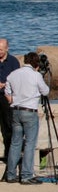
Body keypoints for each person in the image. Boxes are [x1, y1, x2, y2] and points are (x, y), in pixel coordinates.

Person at [5, 52, 49, 184]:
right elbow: (45, 91)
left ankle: (11, 175)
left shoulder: (13, 74)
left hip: (15, 111)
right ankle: (26, 175)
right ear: (36, 63)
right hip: (29, 111)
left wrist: (15, 100)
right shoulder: (36, 75)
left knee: (15, 143)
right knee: (30, 144)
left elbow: (7, 92)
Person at [0, 39, 20, 168]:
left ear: (7, 48)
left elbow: (17, 79)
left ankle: (8, 156)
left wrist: (5, 85)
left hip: (6, 99)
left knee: (8, 128)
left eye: (1, 49)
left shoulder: (13, 61)